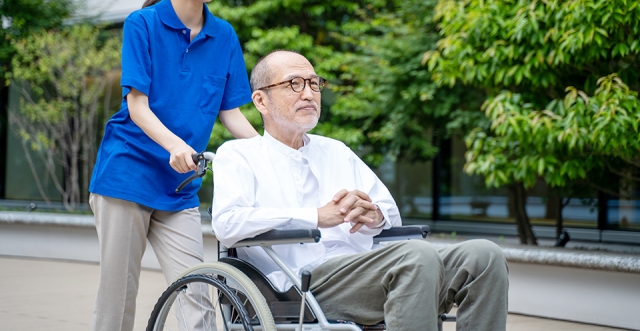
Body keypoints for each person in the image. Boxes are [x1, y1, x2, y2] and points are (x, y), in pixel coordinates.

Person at [211, 50, 509, 331]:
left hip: (367, 269)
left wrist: (374, 215)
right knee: (416, 256)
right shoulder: (239, 155)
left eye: (315, 84)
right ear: (261, 101)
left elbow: (389, 212)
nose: (309, 93)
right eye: (294, 84)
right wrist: (314, 217)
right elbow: (227, 223)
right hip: (299, 284)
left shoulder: (336, 151)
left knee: (484, 256)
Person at [88, 0, 259, 331]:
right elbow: (137, 106)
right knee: (118, 300)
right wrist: (175, 144)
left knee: (200, 294)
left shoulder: (224, 36)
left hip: (180, 186)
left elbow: (230, 113)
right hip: (126, 176)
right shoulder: (142, 24)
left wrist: (272, 154)